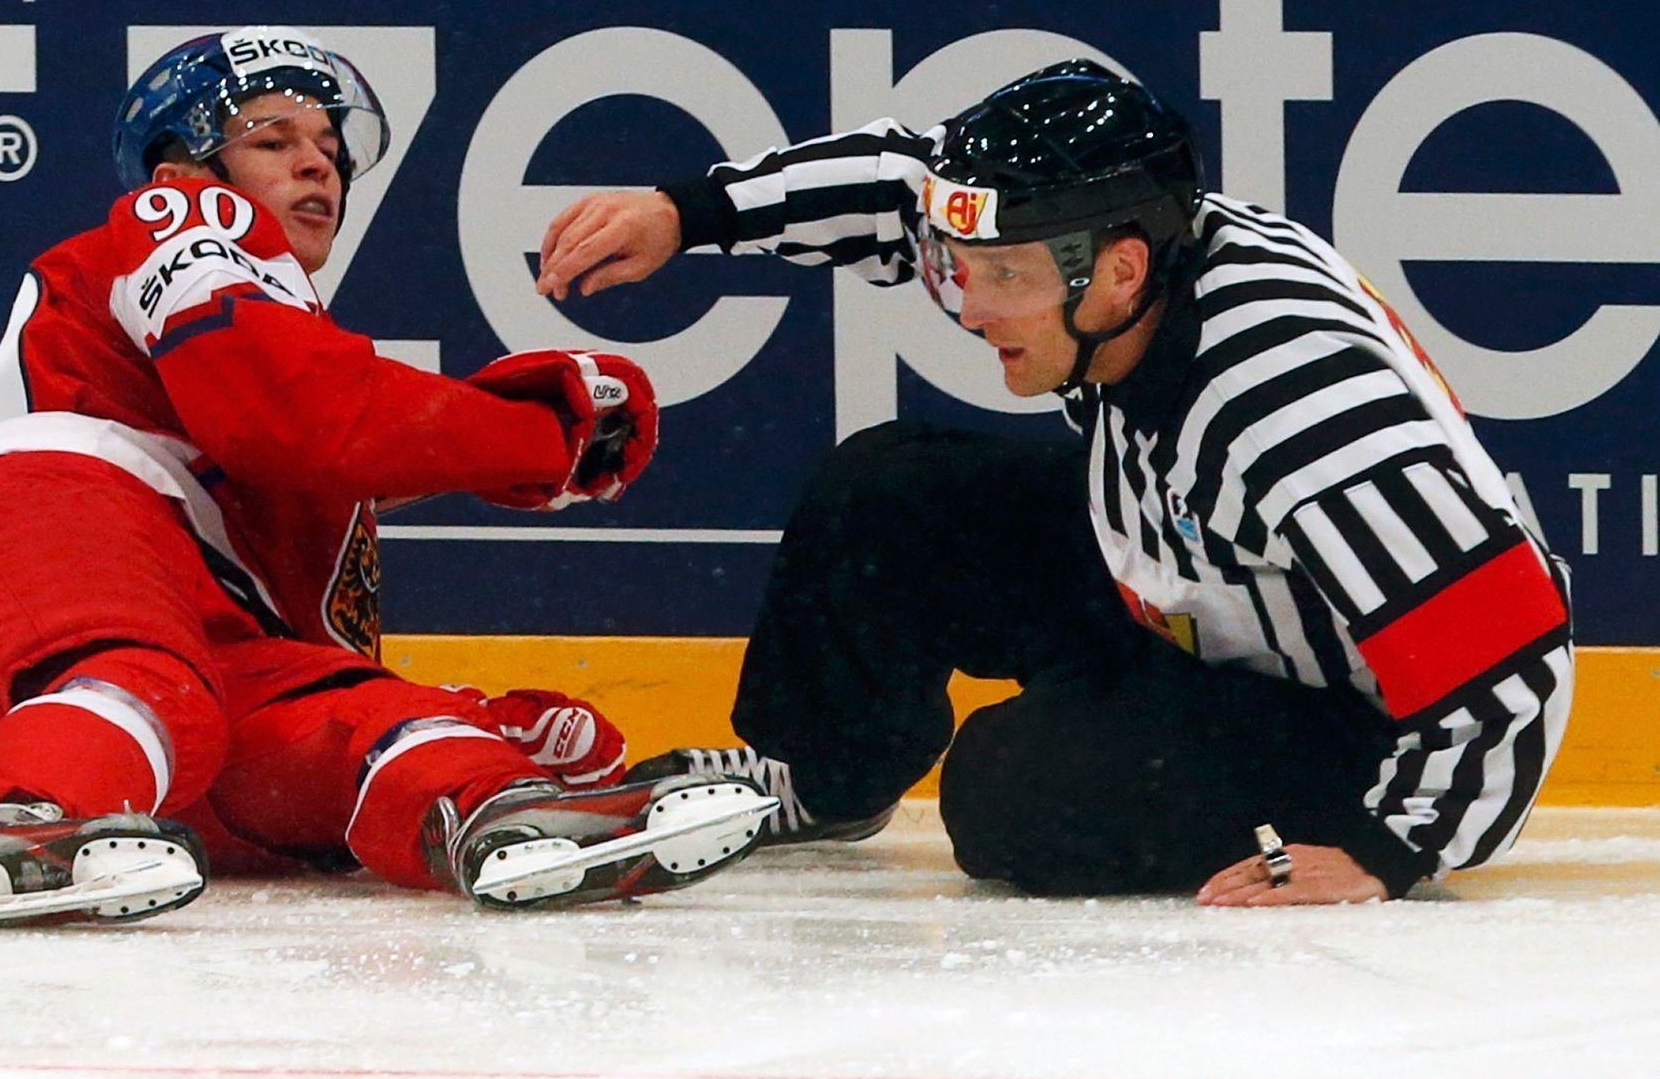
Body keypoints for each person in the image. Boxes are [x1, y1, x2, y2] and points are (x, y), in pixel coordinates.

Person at [537, 60, 1573, 906]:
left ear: (1119, 271)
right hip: (1187, 583)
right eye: (962, 268)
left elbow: (1511, 644)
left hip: (1333, 717)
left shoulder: (1294, 402)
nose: (966, 304)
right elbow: (907, 187)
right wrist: (690, 212)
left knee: (1011, 794)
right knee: (888, 491)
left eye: (1002, 280)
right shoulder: (1117, 260)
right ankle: (821, 779)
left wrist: (1387, 847)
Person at [0, 26, 773, 926]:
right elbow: (297, 416)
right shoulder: (177, 218)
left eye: (329, 146)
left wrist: (479, 728)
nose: (319, 163)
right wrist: (537, 433)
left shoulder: (236, 397)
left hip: (79, 666)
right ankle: (27, 814)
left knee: (346, 719)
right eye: (272, 139)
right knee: (141, 678)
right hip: (36, 551)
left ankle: (492, 814)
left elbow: (307, 493)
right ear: (178, 173)